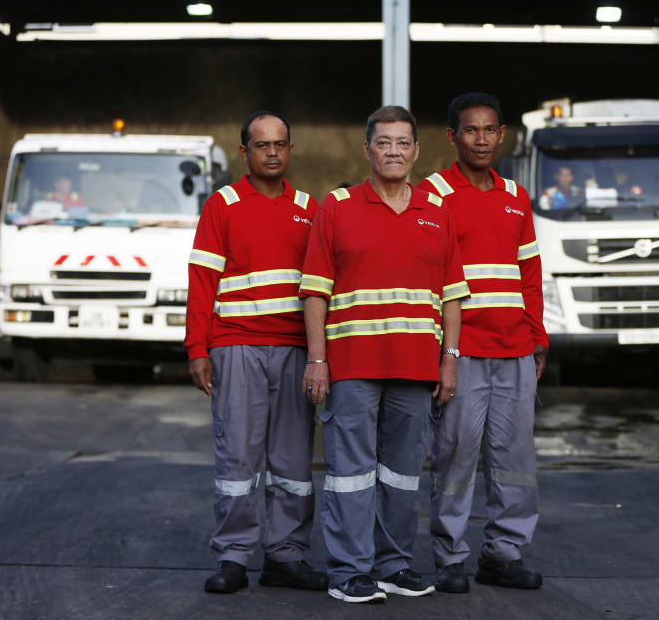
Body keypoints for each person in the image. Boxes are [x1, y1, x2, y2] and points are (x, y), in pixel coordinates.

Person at [300, 105, 469, 603]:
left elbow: (453, 294)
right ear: (367, 150)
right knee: (350, 475)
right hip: (351, 368)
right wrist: (317, 359)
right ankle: (349, 570)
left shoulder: (438, 213)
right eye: (383, 142)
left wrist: (450, 357)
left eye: (402, 143)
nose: (393, 151)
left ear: (417, 151)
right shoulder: (337, 206)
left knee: (401, 476)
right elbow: (315, 290)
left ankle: (393, 565)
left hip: (416, 369)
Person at [185, 110, 327, 594]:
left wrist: (319, 353)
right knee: (238, 460)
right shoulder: (222, 204)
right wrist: (197, 348)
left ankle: (285, 556)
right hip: (235, 346)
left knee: (292, 462)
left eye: (280, 144)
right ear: (244, 152)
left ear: (291, 150)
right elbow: (202, 281)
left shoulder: (311, 209)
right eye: (261, 145)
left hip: (293, 350)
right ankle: (233, 557)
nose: (272, 152)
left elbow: (323, 285)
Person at [418, 92, 549, 592]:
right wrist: (439, 349)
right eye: (470, 130)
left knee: (514, 460)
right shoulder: (432, 195)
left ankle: (503, 553)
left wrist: (537, 338)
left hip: (514, 350)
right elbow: (426, 275)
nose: (480, 139)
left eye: (489, 130)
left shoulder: (516, 196)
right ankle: (450, 557)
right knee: (455, 457)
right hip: (462, 350)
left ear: (503, 134)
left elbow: (530, 274)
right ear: (452, 137)